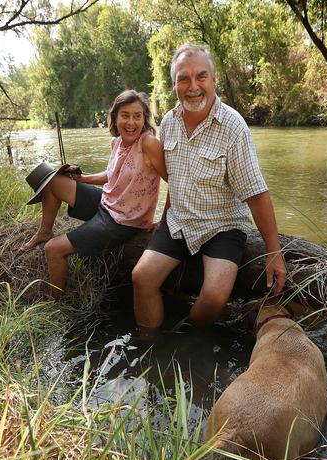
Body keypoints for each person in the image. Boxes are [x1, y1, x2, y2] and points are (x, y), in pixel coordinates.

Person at [132, 43, 287, 331]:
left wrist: (274, 252)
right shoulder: (168, 122)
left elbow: (256, 193)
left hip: (223, 225)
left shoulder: (233, 127)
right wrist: (164, 217)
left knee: (215, 297)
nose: (193, 86)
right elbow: (174, 177)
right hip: (179, 220)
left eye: (201, 77)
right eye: (183, 78)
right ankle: (149, 344)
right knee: (142, 277)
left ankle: (187, 336)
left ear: (214, 81)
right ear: (174, 84)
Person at [21, 90, 167, 299]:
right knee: (53, 181)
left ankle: (56, 305)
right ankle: (45, 231)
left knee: (53, 249)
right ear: (115, 118)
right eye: (125, 115)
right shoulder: (116, 143)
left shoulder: (149, 143)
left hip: (124, 221)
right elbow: (112, 174)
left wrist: (165, 219)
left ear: (144, 119)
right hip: (106, 202)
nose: (131, 122)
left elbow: (173, 180)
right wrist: (83, 179)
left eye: (137, 116)